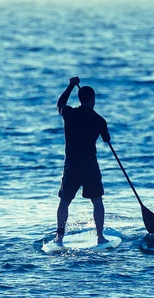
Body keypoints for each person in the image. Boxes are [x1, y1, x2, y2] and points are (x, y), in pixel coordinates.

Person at [55, 76, 111, 245]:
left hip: (72, 165)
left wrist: (70, 86)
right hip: (90, 166)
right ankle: (100, 237)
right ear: (92, 100)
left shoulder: (69, 113)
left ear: (80, 98)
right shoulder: (99, 120)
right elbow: (106, 139)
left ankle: (60, 236)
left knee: (64, 201)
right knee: (97, 201)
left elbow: (60, 104)